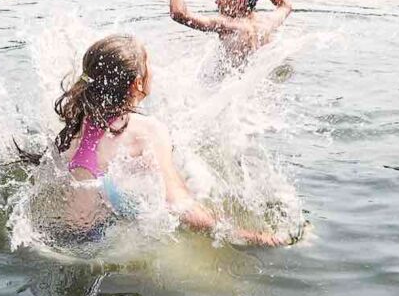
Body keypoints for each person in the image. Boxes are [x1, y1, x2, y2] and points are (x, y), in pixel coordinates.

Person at [24, 34, 284, 247]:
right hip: (96, 242)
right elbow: (180, 205)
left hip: (54, 236)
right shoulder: (146, 130)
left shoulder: (74, 124)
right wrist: (254, 237)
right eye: (148, 65)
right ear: (137, 83)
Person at [169, 0, 293, 64]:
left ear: (240, 1)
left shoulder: (229, 25)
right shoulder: (266, 23)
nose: (217, 1)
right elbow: (285, 5)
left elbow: (179, 14)